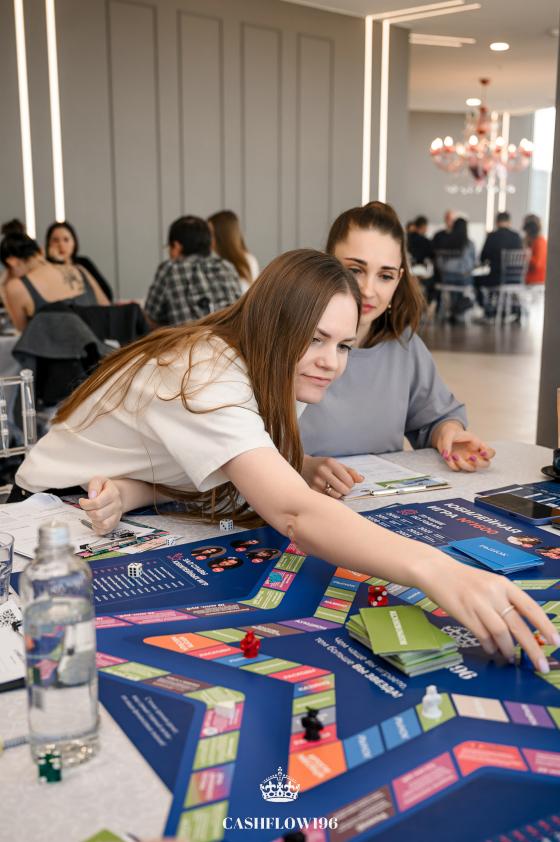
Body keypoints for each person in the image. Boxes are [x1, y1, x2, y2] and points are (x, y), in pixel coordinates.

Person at [10, 248, 556, 672]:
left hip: (116, 501)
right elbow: (294, 513)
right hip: (45, 516)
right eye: (315, 339)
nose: (330, 362)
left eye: (343, 345)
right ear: (273, 324)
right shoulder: (204, 372)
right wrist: (438, 569)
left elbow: (216, 469)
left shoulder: (279, 364)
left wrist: (135, 491)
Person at [300, 202, 491, 478]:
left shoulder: (404, 346)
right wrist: (299, 466)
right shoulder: (285, 338)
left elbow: (435, 417)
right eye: (355, 270)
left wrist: (449, 433)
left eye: (385, 276)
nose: (368, 290)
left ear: (399, 279)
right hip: (290, 496)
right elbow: (244, 440)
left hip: (381, 496)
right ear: (325, 264)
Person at [144, 215, 242, 327]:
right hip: (229, 336)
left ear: (176, 246)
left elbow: (150, 316)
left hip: (188, 337)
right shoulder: (226, 266)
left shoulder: (169, 269)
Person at [0, 232, 109, 331]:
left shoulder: (17, 287)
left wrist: (3, 287)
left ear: (12, 262)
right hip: (100, 344)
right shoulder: (79, 270)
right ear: (40, 251)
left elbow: (23, 332)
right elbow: (106, 308)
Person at [46, 221, 114, 302]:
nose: (61, 245)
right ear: (48, 244)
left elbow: (107, 294)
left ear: (74, 243)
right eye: (55, 240)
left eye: (66, 240)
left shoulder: (83, 263)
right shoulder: (45, 268)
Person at [477, 212, 523, 317]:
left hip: (496, 279)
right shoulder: (516, 237)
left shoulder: (492, 236)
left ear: (496, 222)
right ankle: (506, 309)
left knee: (477, 280)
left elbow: (483, 258)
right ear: (509, 222)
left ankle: (489, 310)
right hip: (516, 279)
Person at [435, 217, 475, 322]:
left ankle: (455, 311)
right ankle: (458, 311)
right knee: (472, 284)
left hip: (446, 278)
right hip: (463, 279)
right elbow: (472, 263)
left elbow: (438, 261)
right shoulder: (469, 244)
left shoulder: (444, 241)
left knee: (454, 290)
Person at [208, 210, 259, 292]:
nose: (207, 239)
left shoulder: (249, 260)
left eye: (211, 234)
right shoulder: (210, 261)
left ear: (222, 236)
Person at [523, 216, 547, 285]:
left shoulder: (540, 242)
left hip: (536, 281)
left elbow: (537, 264)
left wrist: (527, 255)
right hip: (531, 280)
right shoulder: (536, 242)